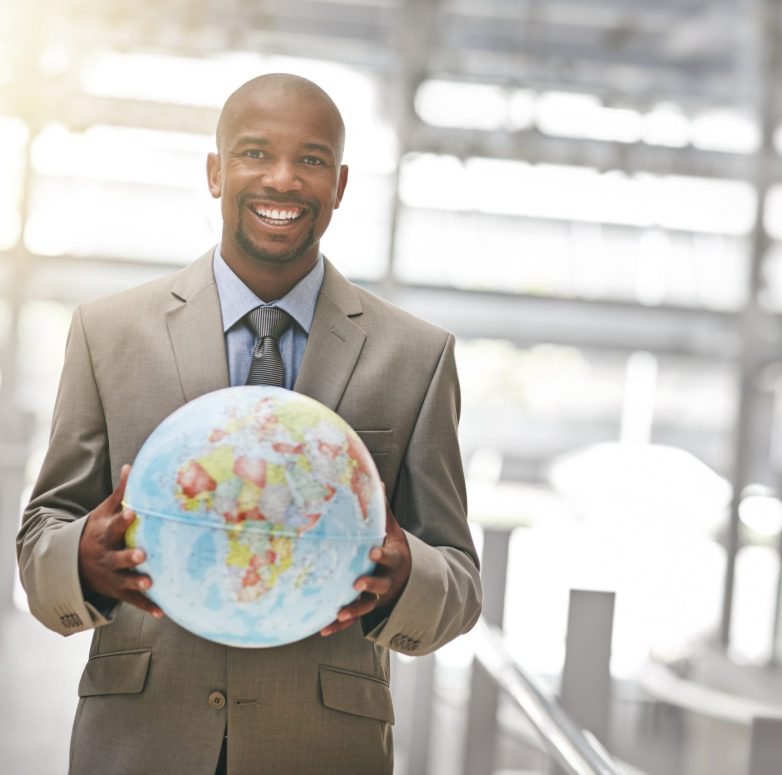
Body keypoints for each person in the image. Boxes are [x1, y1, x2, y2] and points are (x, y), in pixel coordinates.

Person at [17, 73, 481, 775]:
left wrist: (409, 572)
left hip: (323, 750)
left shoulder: (416, 357)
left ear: (342, 184)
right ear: (215, 171)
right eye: (255, 153)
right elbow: (42, 529)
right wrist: (80, 559)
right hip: (141, 742)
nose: (283, 179)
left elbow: (461, 579)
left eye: (313, 159)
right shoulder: (107, 333)